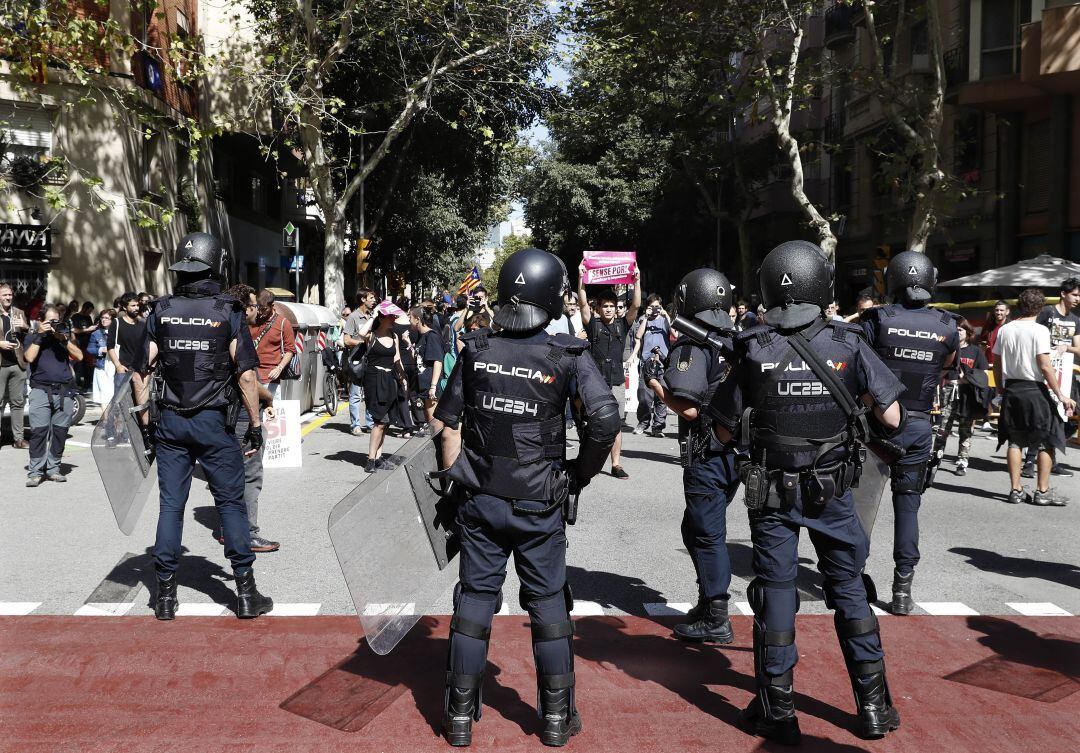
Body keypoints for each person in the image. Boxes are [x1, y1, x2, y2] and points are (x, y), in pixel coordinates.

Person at [708, 240, 904, 744]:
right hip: (833, 492)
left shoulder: (752, 347)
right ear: (823, 286)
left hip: (772, 493)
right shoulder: (849, 341)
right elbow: (893, 417)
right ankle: (875, 707)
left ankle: (778, 710)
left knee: (775, 593)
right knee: (849, 591)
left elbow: (723, 429)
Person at [433, 247, 620, 747]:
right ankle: (557, 719)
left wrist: (454, 479)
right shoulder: (565, 355)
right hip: (540, 502)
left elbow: (446, 426)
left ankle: (457, 716)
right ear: (550, 297)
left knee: (473, 600)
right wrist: (577, 475)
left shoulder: (476, 349)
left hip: (480, 498)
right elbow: (605, 421)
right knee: (549, 605)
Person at [144, 232, 272, 621]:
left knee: (171, 507)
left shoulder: (161, 310)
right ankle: (246, 594)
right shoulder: (227, 311)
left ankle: (165, 598)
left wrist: (148, 424)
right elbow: (247, 376)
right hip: (215, 423)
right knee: (231, 504)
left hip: (170, 422)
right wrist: (254, 424)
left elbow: (140, 372)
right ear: (215, 264)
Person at [644, 268, 740, 644]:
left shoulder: (692, 344)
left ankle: (716, 614)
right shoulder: (735, 339)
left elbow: (688, 410)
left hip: (708, 453)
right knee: (695, 527)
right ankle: (707, 600)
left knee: (706, 533)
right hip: (736, 450)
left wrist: (656, 384)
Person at [861, 251, 958, 616]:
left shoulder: (877, 320)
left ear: (895, 280)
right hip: (918, 426)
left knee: (861, 507)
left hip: (876, 423)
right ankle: (902, 589)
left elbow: (860, 363)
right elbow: (945, 365)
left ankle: (853, 577)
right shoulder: (947, 325)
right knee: (908, 508)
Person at [993, 287, 1076, 508]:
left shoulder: (1005, 329)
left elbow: (998, 363)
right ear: (1040, 308)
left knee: (1015, 440)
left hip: (1012, 389)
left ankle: (1016, 490)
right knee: (1047, 439)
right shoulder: (1040, 330)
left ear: (1020, 305)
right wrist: (1061, 395)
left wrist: (1001, 390)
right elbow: (1045, 365)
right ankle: (1042, 491)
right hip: (1034, 389)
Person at [577, 262, 642, 479]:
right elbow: (583, 303)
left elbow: (636, 306)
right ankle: (585, 461)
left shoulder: (622, 326)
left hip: (615, 381)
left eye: (611, 306)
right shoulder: (592, 324)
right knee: (591, 423)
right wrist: (581, 278)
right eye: (604, 306)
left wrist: (637, 280)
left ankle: (616, 464)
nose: (608, 309)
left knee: (616, 425)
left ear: (616, 308)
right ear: (599, 308)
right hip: (594, 383)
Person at [229, 284, 280, 553]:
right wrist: (266, 401)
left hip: (223, 415)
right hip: (241, 415)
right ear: (245, 308)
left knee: (231, 473)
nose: (256, 312)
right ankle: (247, 532)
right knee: (250, 474)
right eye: (253, 306)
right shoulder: (239, 332)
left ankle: (231, 529)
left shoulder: (218, 330)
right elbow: (247, 378)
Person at [1021, 278, 1080, 479]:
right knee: (1043, 418)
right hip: (1043, 373)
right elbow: (1032, 334)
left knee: (1068, 418)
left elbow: (1079, 348)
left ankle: (1049, 456)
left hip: (1065, 375)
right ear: (1063, 293)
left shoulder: (1075, 319)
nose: (1078, 299)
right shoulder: (1047, 312)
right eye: (1075, 294)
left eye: (1079, 295)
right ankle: (1030, 462)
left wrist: (1066, 347)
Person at [23, 303, 83, 486]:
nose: (54, 324)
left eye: (56, 320)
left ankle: (53, 469)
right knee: (39, 432)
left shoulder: (64, 335)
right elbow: (29, 358)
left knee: (60, 432)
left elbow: (79, 356)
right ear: (41, 321)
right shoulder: (33, 337)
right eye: (50, 321)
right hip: (41, 389)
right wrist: (40, 335)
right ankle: (35, 471)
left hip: (64, 390)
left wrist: (63, 339)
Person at [354, 302, 409, 472]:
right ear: (382, 317)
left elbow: (397, 359)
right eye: (391, 316)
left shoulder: (394, 336)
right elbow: (361, 332)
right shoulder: (372, 336)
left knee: (386, 421)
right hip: (374, 379)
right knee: (379, 420)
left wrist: (403, 377)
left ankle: (378, 457)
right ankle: (371, 460)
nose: (394, 319)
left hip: (390, 379)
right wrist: (374, 314)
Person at [937, 318, 990, 477]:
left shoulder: (976, 351)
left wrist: (966, 378)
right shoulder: (948, 349)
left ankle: (962, 460)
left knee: (965, 429)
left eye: (960, 329)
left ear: (968, 332)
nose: (957, 332)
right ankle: (936, 456)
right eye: (955, 329)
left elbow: (984, 374)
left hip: (968, 393)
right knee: (943, 427)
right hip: (949, 390)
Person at [629, 294, 672, 436]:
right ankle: (643, 422)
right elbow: (638, 337)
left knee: (662, 396)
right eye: (651, 307)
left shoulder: (665, 320)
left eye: (657, 307)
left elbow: (675, 334)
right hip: (647, 360)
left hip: (663, 361)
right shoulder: (643, 319)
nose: (654, 310)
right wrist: (646, 318)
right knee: (644, 395)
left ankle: (658, 426)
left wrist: (666, 316)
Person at [250, 289, 296, 398]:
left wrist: (279, 368)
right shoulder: (252, 321)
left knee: (271, 412)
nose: (261, 311)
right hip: (251, 377)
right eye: (259, 308)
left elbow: (290, 350)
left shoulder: (283, 323)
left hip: (270, 379)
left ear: (272, 305)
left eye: (264, 309)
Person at [343, 288, 377, 435]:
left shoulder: (373, 316)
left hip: (371, 359)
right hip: (357, 360)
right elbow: (346, 340)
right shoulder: (353, 317)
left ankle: (370, 424)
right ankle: (355, 425)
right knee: (356, 394)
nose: (374, 300)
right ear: (363, 299)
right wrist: (361, 342)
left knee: (370, 393)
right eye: (371, 298)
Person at [0, 281, 30, 449]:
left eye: (10, 295)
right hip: (1, 364)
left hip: (17, 363)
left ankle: (18, 439)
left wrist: (24, 326)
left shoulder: (18, 312)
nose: (8, 297)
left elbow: (29, 334)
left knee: (17, 402)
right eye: (4, 295)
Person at [108, 292, 148, 406]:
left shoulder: (142, 324)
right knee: (120, 405)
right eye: (133, 305)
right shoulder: (117, 323)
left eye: (137, 305)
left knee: (140, 405)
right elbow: (110, 346)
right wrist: (118, 366)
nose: (136, 308)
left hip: (140, 371)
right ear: (125, 307)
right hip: (123, 371)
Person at [408, 306, 444, 424]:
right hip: (422, 385)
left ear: (417, 319)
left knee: (433, 421)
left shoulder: (431, 336)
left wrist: (433, 387)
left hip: (430, 386)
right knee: (429, 420)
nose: (409, 320)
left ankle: (438, 442)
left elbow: (438, 361)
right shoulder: (421, 336)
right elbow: (419, 359)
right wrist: (408, 343)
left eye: (410, 317)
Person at [89, 309, 116, 407]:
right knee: (104, 396)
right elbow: (90, 349)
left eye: (107, 318)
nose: (103, 320)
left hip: (116, 366)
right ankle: (105, 420)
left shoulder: (118, 333)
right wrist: (100, 350)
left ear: (112, 320)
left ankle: (113, 420)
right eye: (102, 318)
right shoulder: (96, 334)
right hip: (101, 366)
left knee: (114, 395)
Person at [71, 301, 97, 390]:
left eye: (91, 312)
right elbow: (73, 330)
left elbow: (89, 329)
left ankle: (87, 385)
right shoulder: (75, 317)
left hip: (88, 345)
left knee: (89, 366)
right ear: (84, 308)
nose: (89, 313)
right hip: (78, 345)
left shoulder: (88, 317)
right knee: (78, 366)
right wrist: (86, 330)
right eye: (89, 311)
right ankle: (77, 385)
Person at [983, 300, 1010, 366]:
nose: (998, 312)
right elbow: (982, 341)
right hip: (988, 364)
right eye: (997, 310)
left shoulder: (1011, 327)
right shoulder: (988, 326)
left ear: (1007, 312)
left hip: (1005, 365)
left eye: (1001, 310)